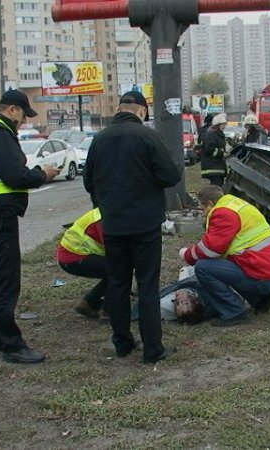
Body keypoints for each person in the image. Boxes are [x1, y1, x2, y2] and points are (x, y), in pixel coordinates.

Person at [0, 89, 60, 364]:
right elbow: (15, 176)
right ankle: (11, 344)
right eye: (23, 116)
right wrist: (42, 174)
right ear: (12, 110)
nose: (23, 122)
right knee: (5, 281)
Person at [83, 91, 181, 363]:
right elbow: (170, 175)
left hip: (113, 224)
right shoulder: (148, 137)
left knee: (117, 283)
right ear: (142, 111)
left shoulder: (99, 139)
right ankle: (152, 348)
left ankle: (122, 343)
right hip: (145, 224)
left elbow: (89, 182)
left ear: (119, 109)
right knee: (147, 285)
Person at [179, 186, 270, 327]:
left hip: (263, 276)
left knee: (203, 268)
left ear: (210, 204)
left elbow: (210, 250)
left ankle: (233, 311)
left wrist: (187, 254)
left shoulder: (223, 214)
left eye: (202, 208)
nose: (203, 213)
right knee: (227, 267)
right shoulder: (235, 205)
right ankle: (261, 300)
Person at [57, 207, 109, 322]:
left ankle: (89, 303)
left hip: (74, 254)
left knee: (118, 271)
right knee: (119, 271)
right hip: (74, 256)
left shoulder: (106, 210)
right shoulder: (105, 218)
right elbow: (115, 250)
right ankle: (108, 311)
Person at [201, 113, 228, 187]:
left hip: (217, 166)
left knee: (218, 187)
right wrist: (222, 153)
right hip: (213, 167)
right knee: (217, 188)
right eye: (223, 125)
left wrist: (224, 152)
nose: (224, 127)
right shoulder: (211, 135)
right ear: (217, 125)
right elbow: (209, 150)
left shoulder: (218, 134)